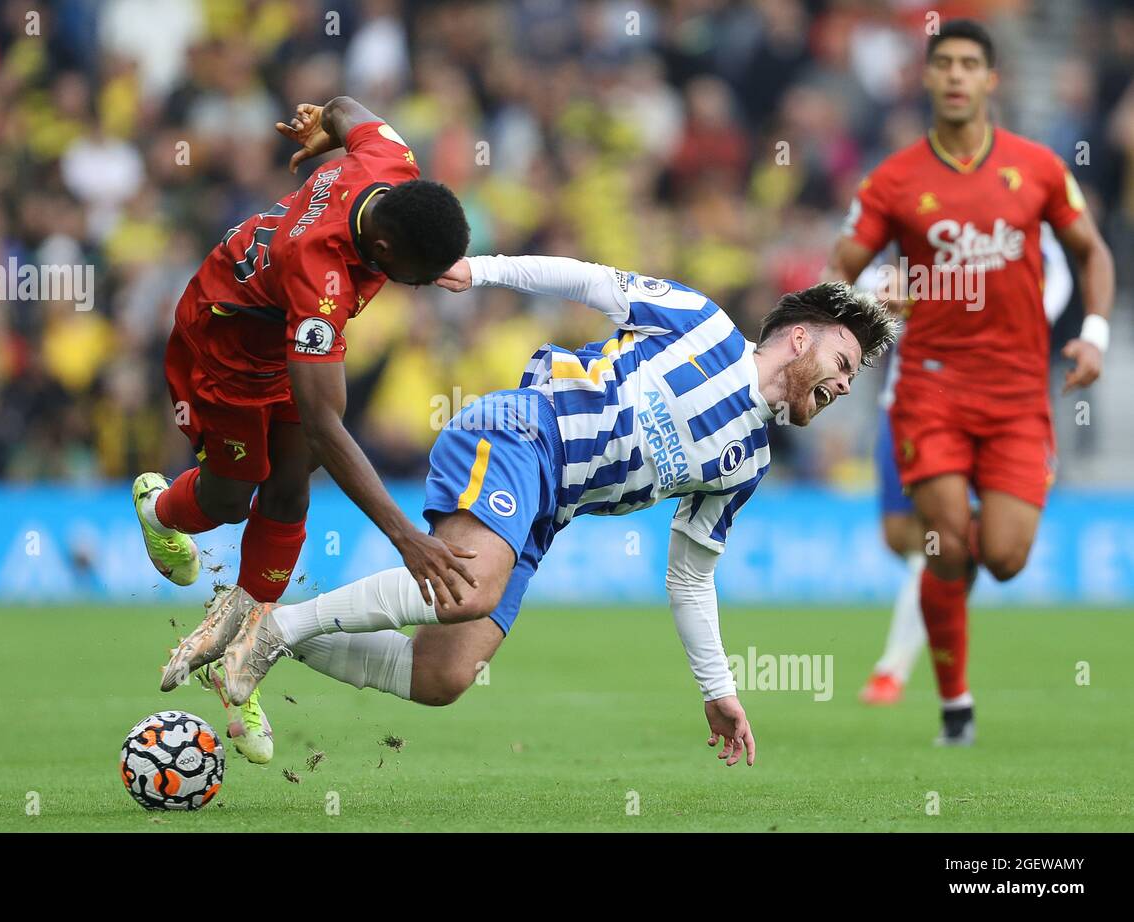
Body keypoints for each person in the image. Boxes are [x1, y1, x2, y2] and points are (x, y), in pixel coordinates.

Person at [159, 253, 897, 767]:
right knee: (470, 586)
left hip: (549, 508)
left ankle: (263, 625)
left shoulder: (749, 462)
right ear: (799, 338)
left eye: (851, 382)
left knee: (446, 675)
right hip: (521, 431)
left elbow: (690, 579)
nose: (839, 388)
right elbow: (589, 281)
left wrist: (720, 691)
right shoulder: (699, 324)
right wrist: (481, 272)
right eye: (839, 365)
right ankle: (273, 631)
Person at [131, 96, 472, 762]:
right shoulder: (321, 274)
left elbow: (347, 108)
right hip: (229, 339)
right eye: (419, 277)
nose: (424, 287)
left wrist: (323, 130)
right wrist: (407, 538)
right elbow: (325, 423)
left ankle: (240, 663)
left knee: (289, 490)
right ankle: (157, 506)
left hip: (288, 339)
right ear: (381, 249)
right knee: (236, 493)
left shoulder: (390, 160)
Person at [822, 20, 1113, 743]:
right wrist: (867, 304)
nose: (955, 75)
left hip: (1017, 392)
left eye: (969, 65)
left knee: (1006, 559)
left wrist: (1095, 333)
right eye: (943, 63)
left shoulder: (1039, 168)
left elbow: (1091, 252)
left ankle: (938, 627)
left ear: (992, 80)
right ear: (927, 78)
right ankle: (955, 705)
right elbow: (838, 275)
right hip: (930, 388)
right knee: (942, 545)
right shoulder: (893, 180)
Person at [857, 228, 1074, 706]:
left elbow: (1057, 266)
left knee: (937, 538)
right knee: (900, 537)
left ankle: (892, 670)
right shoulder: (909, 207)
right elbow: (862, 267)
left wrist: (1033, 313)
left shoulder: (1015, 211)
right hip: (909, 398)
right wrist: (879, 291)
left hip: (986, 402)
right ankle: (968, 543)